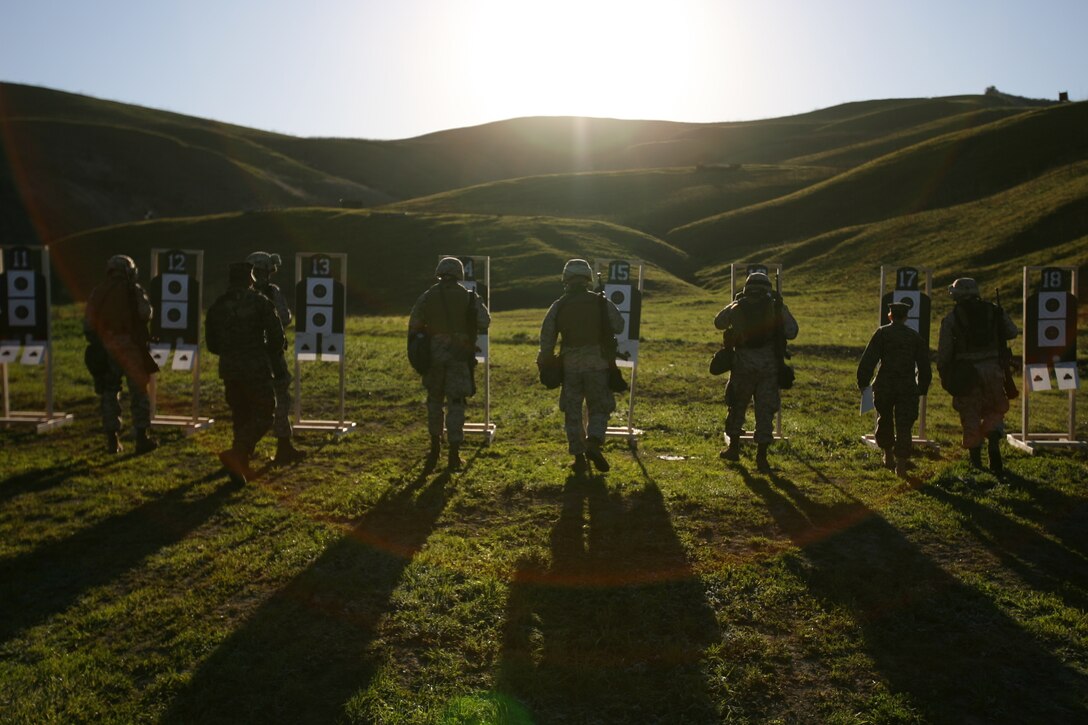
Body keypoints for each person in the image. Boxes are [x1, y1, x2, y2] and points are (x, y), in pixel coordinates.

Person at [538, 258, 624, 475]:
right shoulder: (601, 302)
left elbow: (547, 337)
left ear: (566, 279)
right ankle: (594, 442)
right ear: (588, 279)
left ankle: (578, 458)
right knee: (599, 407)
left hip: (570, 365)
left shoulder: (559, 305)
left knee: (573, 412)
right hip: (598, 362)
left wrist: (545, 360)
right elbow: (619, 325)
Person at [205, 262, 285, 485]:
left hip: (230, 369)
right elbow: (277, 337)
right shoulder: (259, 302)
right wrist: (263, 353)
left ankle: (239, 468)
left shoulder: (218, 305)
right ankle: (237, 454)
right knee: (265, 413)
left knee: (240, 415)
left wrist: (231, 353)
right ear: (250, 279)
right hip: (256, 367)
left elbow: (212, 343)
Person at [408, 257, 491, 472]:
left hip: (433, 355)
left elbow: (415, 323)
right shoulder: (469, 296)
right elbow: (485, 321)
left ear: (440, 272)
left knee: (434, 400)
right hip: (459, 354)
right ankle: (454, 453)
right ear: (459, 274)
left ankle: (435, 447)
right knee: (456, 402)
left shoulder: (427, 296)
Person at [715, 272, 799, 472]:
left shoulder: (737, 306)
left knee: (737, 405)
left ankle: (733, 449)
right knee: (765, 411)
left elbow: (718, 322)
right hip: (769, 367)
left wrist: (735, 305)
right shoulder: (775, 306)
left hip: (742, 365)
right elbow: (792, 331)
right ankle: (762, 458)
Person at [937, 277, 1018, 473]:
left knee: (970, 412)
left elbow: (945, 351)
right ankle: (994, 444)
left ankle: (975, 460)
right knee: (995, 408)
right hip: (994, 369)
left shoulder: (952, 318)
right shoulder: (994, 311)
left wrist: (944, 372)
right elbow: (1012, 332)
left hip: (967, 373)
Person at [83, 254, 159, 454]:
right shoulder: (133, 290)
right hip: (131, 347)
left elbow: (88, 325)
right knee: (139, 392)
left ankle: (112, 440)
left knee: (109, 392)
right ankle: (142, 438)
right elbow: (146, 313)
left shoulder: (98, 292)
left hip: (106, 348)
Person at [856, 302, 932, 477]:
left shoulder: (882, 333)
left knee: (885, 419)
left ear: (890, 316)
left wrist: (863, 382)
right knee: (904, 426)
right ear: (906, 317)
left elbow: (869, 360)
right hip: (907, 387)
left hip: (884, 385)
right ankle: (902, 465)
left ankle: (888, 454)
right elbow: (924, 366)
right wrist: (922, 386)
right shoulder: (914, 337)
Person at [246, 251, 305, 465]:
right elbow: (285, 318)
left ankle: (244, 448)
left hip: (248, 358)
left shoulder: (240, 293)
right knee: (280, 399)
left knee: (251, 402)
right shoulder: (272, 292)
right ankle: (283, 447)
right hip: (272, 355)